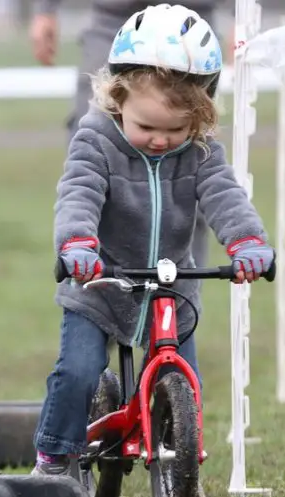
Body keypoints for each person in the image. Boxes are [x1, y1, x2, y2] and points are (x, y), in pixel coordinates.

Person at [30, 4, 275, 497]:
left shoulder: (201, 150)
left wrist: (247, 241)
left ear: (201, 115)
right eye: (147, 126)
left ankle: (184, 476)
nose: (161, 140)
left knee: (188, 377)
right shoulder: (96, 138)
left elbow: (224, 195)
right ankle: (54, 459)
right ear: (117, 99)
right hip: (99, 280)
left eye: (177, 129)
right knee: (77, 370)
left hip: (170, 284)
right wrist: (77, 246)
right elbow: (78, 192)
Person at [30, 0, 222, 298]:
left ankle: (175, 309)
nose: (159, 137)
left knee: (190, 180)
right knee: (93, 168)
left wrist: (240, 11)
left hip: (193, 34)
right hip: (116, 26)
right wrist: (45, 9)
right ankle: (97, 304)